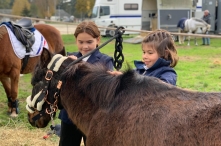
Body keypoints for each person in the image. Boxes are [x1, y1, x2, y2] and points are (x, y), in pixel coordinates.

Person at [58, 21, 114, 146]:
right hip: (69, 117)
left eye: (89, 42)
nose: (85, 46)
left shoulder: (105, 61)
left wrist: (80, 66)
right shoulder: (70, 58)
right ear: (75, 40)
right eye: (81, 42)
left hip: (92, 117)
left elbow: (102, 87)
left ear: (98, 40)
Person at [109, 29, 178, 86]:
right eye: (144, 52)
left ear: (165, 53)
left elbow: (163, 89)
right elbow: (132, 78)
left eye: (150, 53)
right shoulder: (140, 69)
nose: (144, 56)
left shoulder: (168, 73)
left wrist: (135, 80)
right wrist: (122, 76)